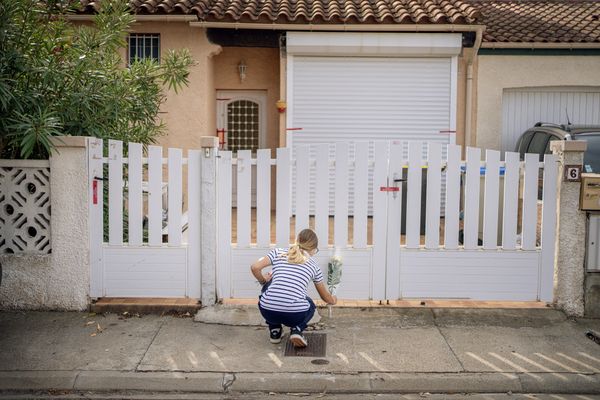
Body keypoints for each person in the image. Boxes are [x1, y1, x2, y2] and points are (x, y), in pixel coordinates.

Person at [250, 228, 337, 348]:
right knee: (310, 305)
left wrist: (263, 281)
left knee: (268, 287)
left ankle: (274, 330)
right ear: (312, 249)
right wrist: (333, 300)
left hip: (268, 311)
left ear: (296, 240)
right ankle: (297, 329)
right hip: (295, 315)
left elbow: (255, 267)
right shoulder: (314, 266)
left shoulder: (278, 252)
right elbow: (324, 296)